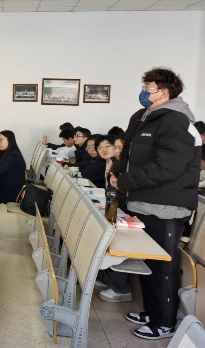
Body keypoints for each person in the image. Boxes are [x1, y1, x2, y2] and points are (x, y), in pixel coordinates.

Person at [110, 67, 201, 340]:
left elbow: (168, 167)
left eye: (148, 88)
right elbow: (130, 156)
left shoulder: (177, 121)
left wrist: (126, 181)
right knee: (150, 262)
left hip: (166, 206)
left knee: (164, 267)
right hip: (144, 202)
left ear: (164, 92)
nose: (143, 92)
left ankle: (165, 322)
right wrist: (117, 171)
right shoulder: (143, 117)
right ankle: (152, 311)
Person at [95, 134, 132, 303]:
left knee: (115, 241)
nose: (104, 150)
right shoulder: (111, 164)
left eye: (108, 146)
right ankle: (107, 279)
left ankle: (121, 288)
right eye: (100, 147)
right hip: (115, 207)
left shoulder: (122, 165)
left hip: (125, 211)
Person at [0, 130, 26, 204]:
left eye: (1, 140)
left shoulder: (14, 155)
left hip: (11, 193)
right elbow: (1, 164)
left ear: (9, 140)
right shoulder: (9, 152)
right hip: (7, 187)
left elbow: (0, 170)